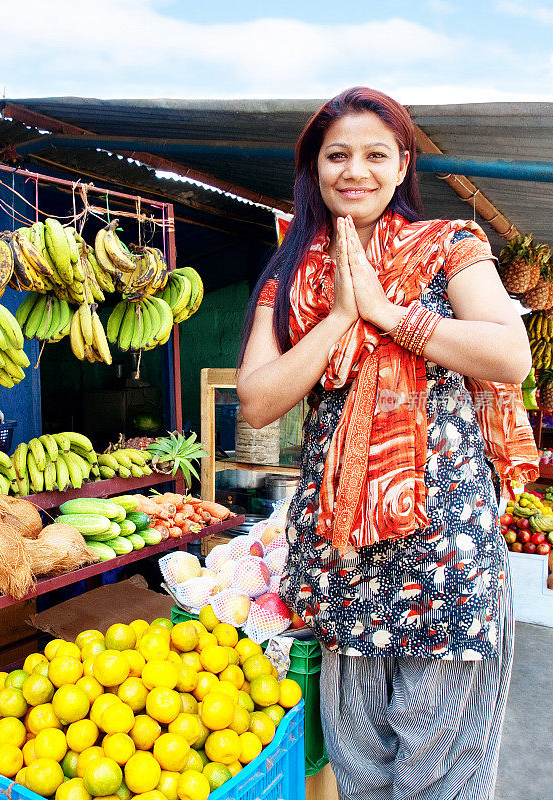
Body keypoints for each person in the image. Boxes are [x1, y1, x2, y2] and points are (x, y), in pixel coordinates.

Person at [236, 87, 539, 800]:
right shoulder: (292, 277)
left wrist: (385, 311)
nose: (356, 171)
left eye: (376, 154)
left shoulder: (447, 247)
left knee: (440, 775)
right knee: (360, 766)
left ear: (403, 165)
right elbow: (258, 400)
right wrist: (342, 312)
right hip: (343, 557)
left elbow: (508, 354)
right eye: (337, 155)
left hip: (445, 553)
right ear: (313, 169)